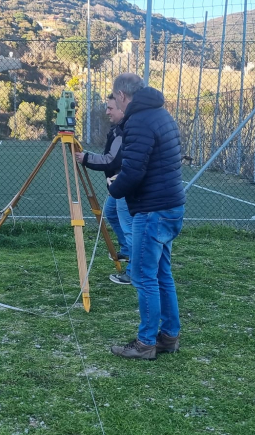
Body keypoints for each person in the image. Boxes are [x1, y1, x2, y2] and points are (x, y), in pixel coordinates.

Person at [106, 73, 186, 360]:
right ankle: (169, 336)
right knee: (162, 273)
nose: (112, 104)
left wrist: (114, 188)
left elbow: (134, 170)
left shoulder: (138, 120)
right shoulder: (160, 113)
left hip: (153, 210)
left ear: (123, 97)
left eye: (113, 99)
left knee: (142, 275)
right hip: (170, 206)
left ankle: (145, 343)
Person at [74, 94, 132, 285]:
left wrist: (86, 158)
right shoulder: (118, 129)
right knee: (111, 212)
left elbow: (112, 160)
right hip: (118, 184)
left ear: (122, 108)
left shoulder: (125, 131)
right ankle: (126, 250)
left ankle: (133, 272)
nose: (106, 111)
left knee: (129, 226)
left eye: (110, 108)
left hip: (125, 184)